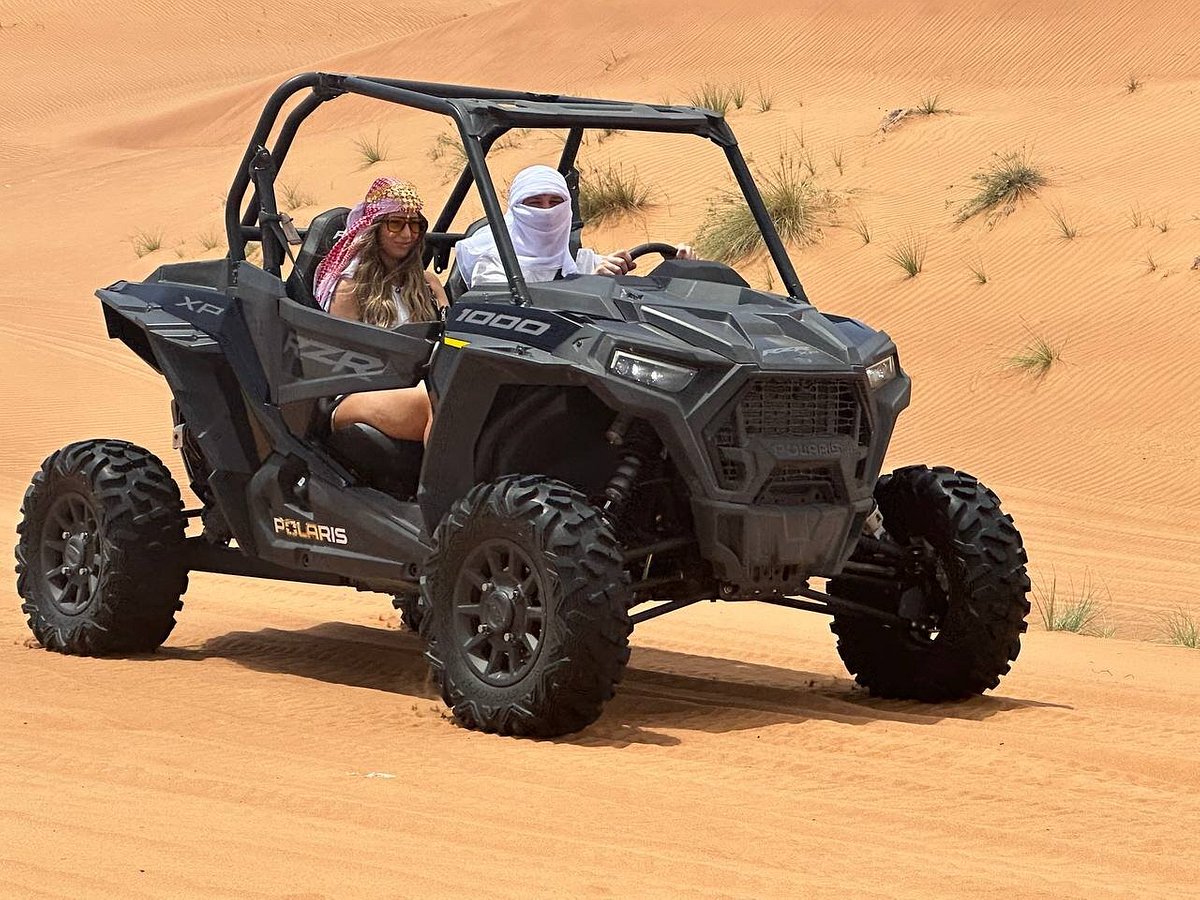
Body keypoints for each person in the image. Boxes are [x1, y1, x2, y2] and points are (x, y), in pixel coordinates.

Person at [313, 176, 448, 442]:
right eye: (395, 224)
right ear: (375, 227)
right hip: (357, 393)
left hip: (421, 382)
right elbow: (341, 365)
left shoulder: (428, 283)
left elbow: (449, 337)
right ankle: (441, 485)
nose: (407, 235)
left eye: (414, 225)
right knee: (435, 402)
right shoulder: (351, 288)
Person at [453, 164, 694, 289]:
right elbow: (511, 320)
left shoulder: (581, 261)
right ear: (516, 209)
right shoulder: (494, 267)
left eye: (555, 202)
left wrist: (680, 269)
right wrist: (588, 284)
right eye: (535, 203)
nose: (547, 211)